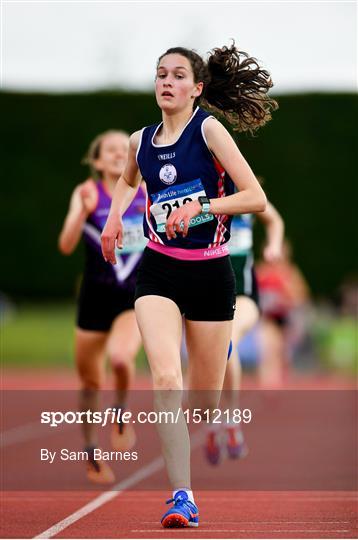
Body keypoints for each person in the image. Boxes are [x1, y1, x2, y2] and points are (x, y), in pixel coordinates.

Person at [101, 43, 277, 527]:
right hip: (159, 270)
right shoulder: (141, 140)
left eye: (178, 75)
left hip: (211, 272)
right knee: (165, 381)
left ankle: (215, 363)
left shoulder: (210, 130)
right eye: (161, 74)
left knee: (202, 407)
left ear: (196, 89)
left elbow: (255, 197)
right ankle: (182, 497)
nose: (166, 82)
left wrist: (201, 208)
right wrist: (115, 220)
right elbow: (127, 180)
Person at [58, 130, 146, 484]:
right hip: (94, 297)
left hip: (133, 297)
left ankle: (121, 412)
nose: (117, 153)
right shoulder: (87, 194)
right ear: (96, 161)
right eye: (109, 150)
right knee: (91, 381)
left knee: (122, 357)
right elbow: (66, 245)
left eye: (124, 148)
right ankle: (92, 450)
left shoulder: (147, 192)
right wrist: (81, 210)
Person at [205, 199, 284, 464]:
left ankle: (231, 418)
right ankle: (213, 419)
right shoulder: (198, 189)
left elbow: (274, 220)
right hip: (207, 290)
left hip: (244, 294)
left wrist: (273, 246)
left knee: (227, 340)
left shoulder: (246, 192)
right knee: (205, 359)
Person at [256, 239, 310, 387]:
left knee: (283, 354)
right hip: (268, 318)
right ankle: (268, 386)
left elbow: (302, 296)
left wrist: (287, 294)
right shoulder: (261, 271)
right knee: (269, 350)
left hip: (287, 318)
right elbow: (252, 294)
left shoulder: (290, 272)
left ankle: (283, 380)